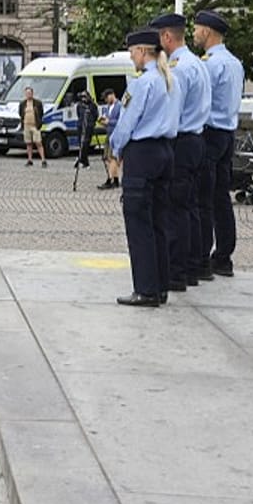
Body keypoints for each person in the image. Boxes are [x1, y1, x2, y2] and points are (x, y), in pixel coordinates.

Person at [109, 29, 179, 307]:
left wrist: (116, 149)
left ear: (141, 51)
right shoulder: (170, 80)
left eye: (132, 51)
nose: (130, 56)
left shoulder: (141, 83)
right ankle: (161, 286)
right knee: (159, 222)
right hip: (165, 151)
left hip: (143, 152)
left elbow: (127, 122)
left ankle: (146, 289)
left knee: (139, 224)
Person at [153, 12, 211, 291]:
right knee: (191, 208)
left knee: (175, 209)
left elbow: (171, 110)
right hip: (198, 139)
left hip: (182, 140)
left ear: (166, 37)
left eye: (158, 38)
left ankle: (176, 271)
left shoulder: (178, 67)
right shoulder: (197, 63)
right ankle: (193, 266)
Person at [194, 9, 244, 279]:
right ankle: (224, 255)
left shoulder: (211, 64)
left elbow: (201, 100)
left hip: (211, 132)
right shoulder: (235, 62)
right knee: (221, 198)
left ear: (207, 32)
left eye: (197, 28)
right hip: (227, 133)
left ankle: (202, 257)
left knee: (204, 197)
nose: (194, 33)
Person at [98, 90, 122, 189]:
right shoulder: (108, 107)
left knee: (113, 158)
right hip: (109, 134)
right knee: (107, 157)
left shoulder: (119, 106)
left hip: (116, 134)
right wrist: (103, 121)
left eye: (107, 98)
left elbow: (121, 121)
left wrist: (109, 122)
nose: (106, 100)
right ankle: (115, 179)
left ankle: (110, 179)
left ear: (112, 95)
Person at [20, 87, 46, 168]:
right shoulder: (22, 104)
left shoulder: (37, 103)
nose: (28, 95)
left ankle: (43, 160)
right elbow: (21, 113)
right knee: (28, 143)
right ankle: (30, 159)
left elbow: (41, 113)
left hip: (35, 126)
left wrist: (38, 122)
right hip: (26, 125)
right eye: (27, 93)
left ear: (32, 93)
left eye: (30, 93)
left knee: (38, 142)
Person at [74, 92, 100, 170]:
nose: (83, 98)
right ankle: (84, 161)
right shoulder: (79, 105)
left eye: (85, 96)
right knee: (81, 144)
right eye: (82, 97)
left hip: (89, 126)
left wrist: (91, 122)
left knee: (86, 144)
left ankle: (80, 159)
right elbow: (78, 114)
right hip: (80, 126)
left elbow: (95, 115)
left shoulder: (92, 105)